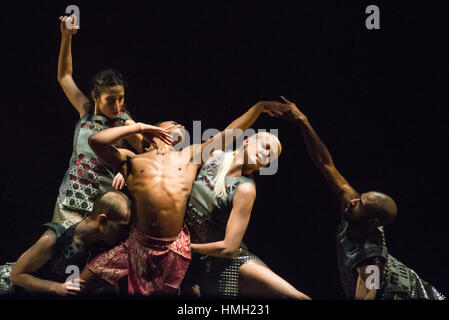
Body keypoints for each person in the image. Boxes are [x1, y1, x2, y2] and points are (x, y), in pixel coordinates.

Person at [79, 101, 289, 295]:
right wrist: (139, 127)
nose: (181, 125)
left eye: (182, 125)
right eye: (173, 123)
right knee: (79, 284)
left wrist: (259, 107)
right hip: (137, 243)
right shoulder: (134, 159)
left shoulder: (190, 157)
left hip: (174, 247)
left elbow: (228, 134)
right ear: (157, 129)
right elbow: (95, 141)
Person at [281, 97, 445, 300]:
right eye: (360, 198)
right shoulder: (353, 208)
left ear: (372, 222)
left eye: (362, 204)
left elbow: (367, 295)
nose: (352, 201)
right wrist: (302, 120)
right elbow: (325, 164)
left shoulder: (371, 261)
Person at [182, 132, 311, 299]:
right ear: (247, 141)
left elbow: (229, 248)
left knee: (292, 296)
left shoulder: (246, 189)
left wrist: (185, 247)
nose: (266, 155)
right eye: (265, 147)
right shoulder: (214, 156)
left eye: (270, 157)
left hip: (227, 260)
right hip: (195, 263)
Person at [54, 15, 143, 227]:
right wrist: (66, 37)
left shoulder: (125, 122)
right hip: (71, 197)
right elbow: (64, 76)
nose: (117, 105)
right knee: (61, 251)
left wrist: (128, 167)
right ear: (95, 97)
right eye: (110, 100)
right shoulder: (85, 111)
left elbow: (150, 153)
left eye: (121, 98)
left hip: (103, 204)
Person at [2, 191, 132, 296]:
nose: (124, 233)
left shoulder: (99, 245)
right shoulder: (55, 237)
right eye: (121, 227)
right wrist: (56, 287)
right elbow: (16, 275)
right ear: (102, 220)